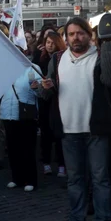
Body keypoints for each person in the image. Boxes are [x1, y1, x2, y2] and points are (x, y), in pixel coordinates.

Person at [41, 17, 111, 221]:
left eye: (80, 33)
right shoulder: (57, 59)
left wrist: (108, 50)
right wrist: (45, 88)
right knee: (75, 179)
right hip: (68, 130)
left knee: (101, 179)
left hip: (96, 129)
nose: (76, 38)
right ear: (66, 37)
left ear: (89, 35)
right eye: (71, 34)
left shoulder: (101, 56)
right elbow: (48, 92)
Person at [2, 65, 43, 191]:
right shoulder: (3, 67)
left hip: (26, 114)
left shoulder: (32, 68)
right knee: (12, 148)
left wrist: (37, 88)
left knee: (27, 147)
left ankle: (30, 179)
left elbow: (41, 91)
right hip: (8, 113)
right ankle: (16, 177)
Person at [34, 31, 67, 176]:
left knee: (60, 134)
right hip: (44, 101)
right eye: (47, 42)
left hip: (59, 100)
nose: (49, 45)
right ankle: (46, 162)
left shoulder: (63, 58)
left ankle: (61, 164)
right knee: (46, 134)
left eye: (53, 42)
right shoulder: (39, 58)